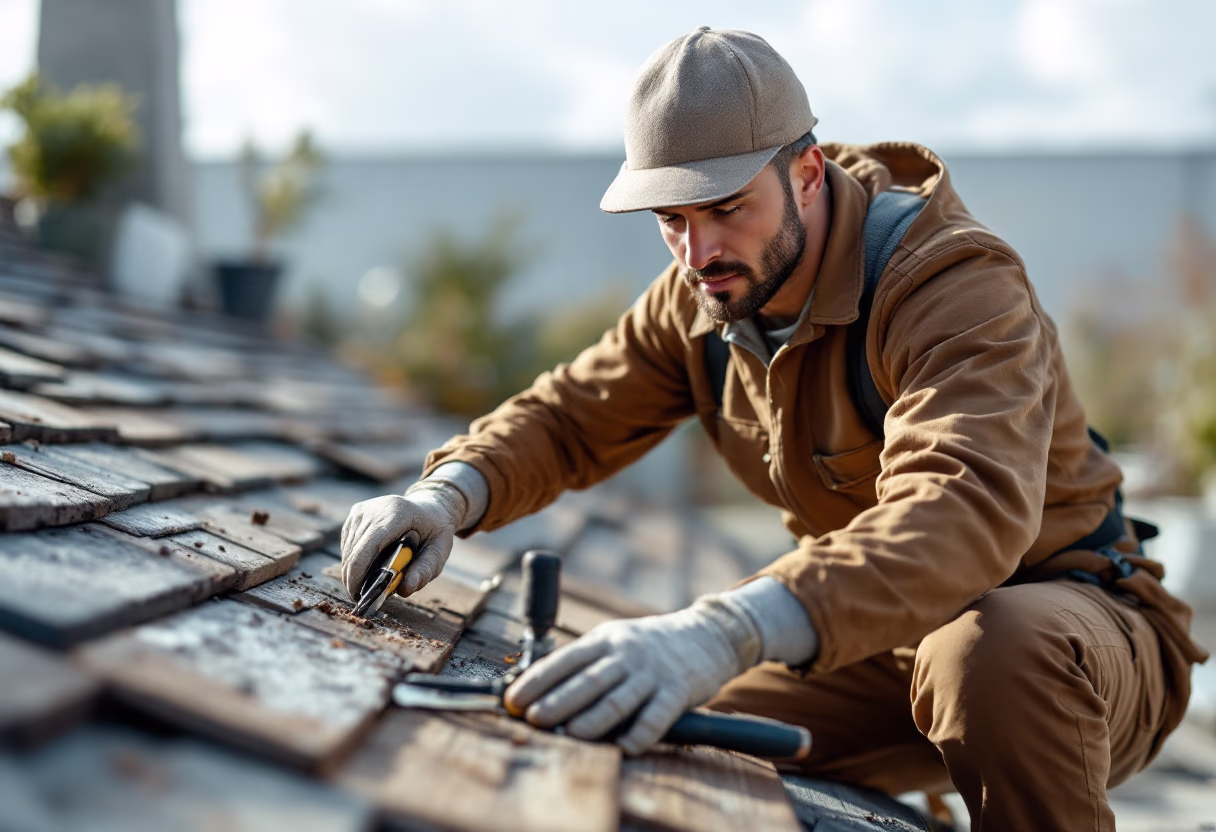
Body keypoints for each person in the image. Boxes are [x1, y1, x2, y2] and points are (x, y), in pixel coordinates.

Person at [340, 26, 1208, 830]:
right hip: (876, 639)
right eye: (672, 220)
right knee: (655, 718)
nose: (698, 252)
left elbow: (962, 510)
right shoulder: (703, 296)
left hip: (1075, 641)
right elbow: (570, 418)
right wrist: (444, 496)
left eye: (725, 207)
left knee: (987, 655)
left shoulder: (952, 284)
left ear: (808, 173)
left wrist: (723, 629)